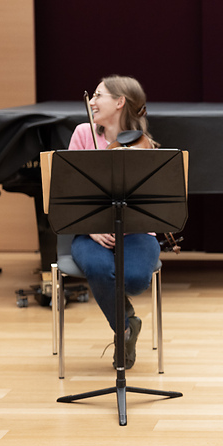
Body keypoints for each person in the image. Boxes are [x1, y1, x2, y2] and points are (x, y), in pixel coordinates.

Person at [68, 75, 161, 370]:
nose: (92, 102)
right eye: (93, 97)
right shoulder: (83, 134)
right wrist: (92, 228)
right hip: (90, 232)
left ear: (120, 102)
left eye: (99, 96)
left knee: (134, 279)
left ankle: (125, 319)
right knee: (99, 268)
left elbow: (150, 201)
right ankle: (125, 329)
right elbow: (70, 191)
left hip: (135, 232)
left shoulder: (143, 145)